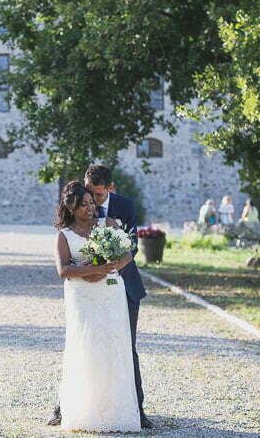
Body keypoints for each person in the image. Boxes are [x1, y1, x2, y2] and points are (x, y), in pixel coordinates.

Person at [48, 164, 152, 430]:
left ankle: (134, 409)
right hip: (85, 291)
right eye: (87, 193)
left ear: (110, 188)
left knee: (124, 347)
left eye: (95, 194)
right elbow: (65, 265)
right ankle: (68, 407)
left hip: (123, 287)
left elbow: (131, 247)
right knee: (84, 343)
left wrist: (109, 268)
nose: (91, 200)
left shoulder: (124, 207)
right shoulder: (69, 227)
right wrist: (91, 271)